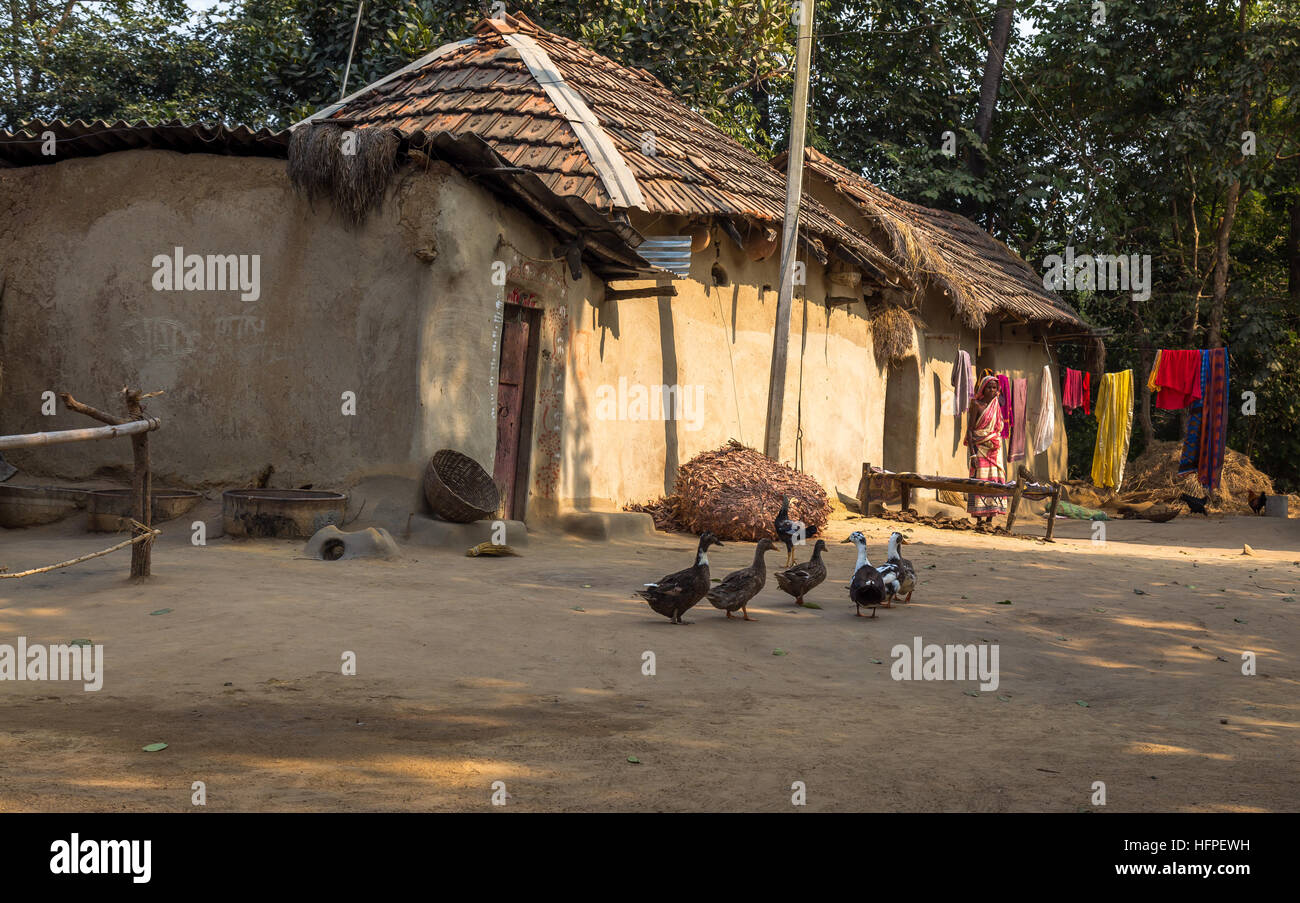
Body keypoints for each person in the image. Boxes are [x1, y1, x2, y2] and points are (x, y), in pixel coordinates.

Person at [965, 375, 1006, 525]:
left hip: (994, 450)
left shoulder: (996, 406)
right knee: (979, 481)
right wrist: (973, 454)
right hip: (980, 448)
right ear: (983, 389)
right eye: (989, 387)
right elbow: (970, 431)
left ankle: (990, 517)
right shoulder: (976, 405)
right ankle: (979, 518)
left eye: (994, 388)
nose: (992, 390)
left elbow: (998, 428)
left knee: (994, 481)